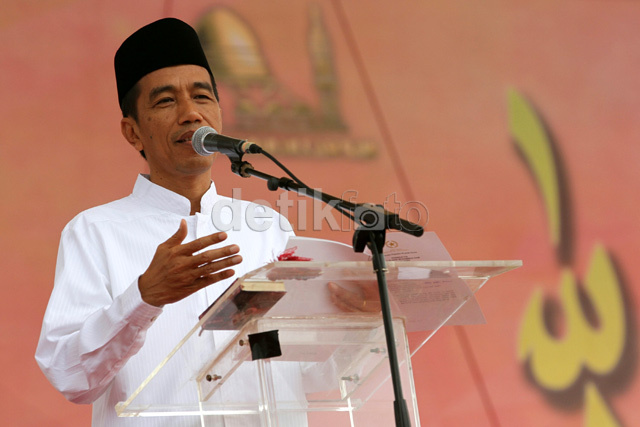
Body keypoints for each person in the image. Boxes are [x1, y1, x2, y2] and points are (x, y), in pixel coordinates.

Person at [35, 18, 306, 426]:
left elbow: (304, 370)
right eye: (165, 101)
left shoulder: (267, 227)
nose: (190, 113)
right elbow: (69, 375)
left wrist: (351, 315)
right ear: (132, 133)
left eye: (202, 96)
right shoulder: (94, 232)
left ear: (219, 114)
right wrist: (143, 297)